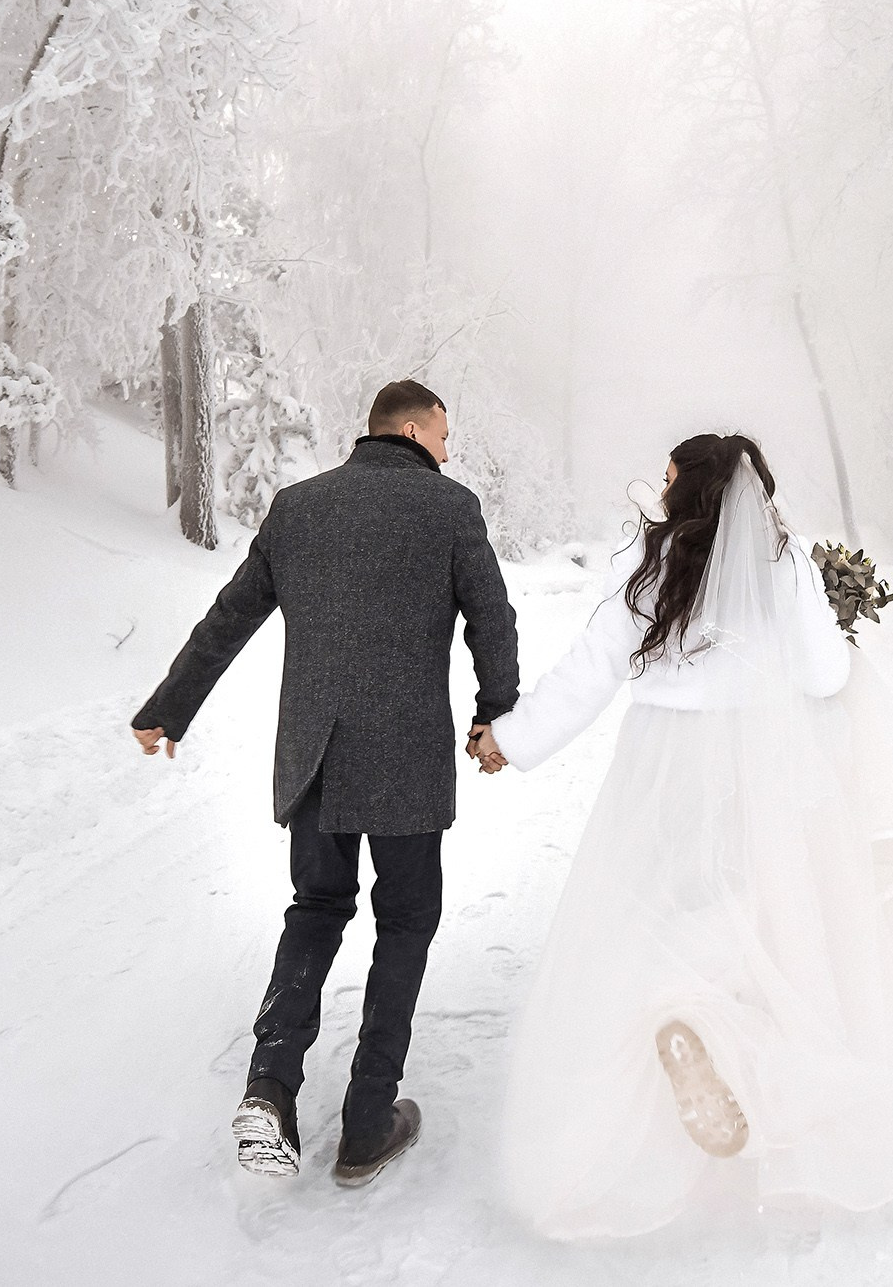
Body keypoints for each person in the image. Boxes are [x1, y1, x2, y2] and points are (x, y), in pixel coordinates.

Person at [472, 432, 893, 1238]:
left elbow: (591, 669)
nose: (661, 485)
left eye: (669, 475)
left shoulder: (647, 562)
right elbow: (823, 675)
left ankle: (683, 1020)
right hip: (764, 769)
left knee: (655, 919)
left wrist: (512, 737)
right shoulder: (782, 564)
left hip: (662, 769)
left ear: (690, 487)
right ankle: (729, 1040)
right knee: (769, 930)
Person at [131, 379, 520, 1188]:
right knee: (406, 920)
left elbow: (229, 616)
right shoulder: (450, 509)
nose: (449, 452)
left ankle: (269, 1090)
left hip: (314, 758)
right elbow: (493, 617)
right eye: (445, 435)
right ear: (412, 430)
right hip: (408, 762)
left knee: (316, 910)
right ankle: (369, 1120)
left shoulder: (296, 507)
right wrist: (496, 716)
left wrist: (169, 706)